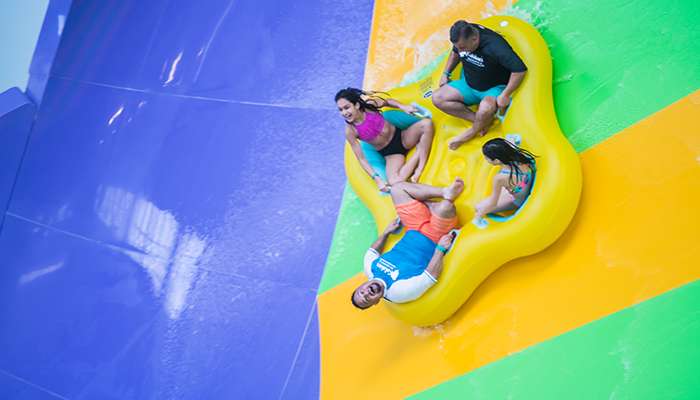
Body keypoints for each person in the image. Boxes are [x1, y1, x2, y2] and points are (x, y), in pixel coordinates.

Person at [350, 178, 464, 309]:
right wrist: (440, 249)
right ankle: (430, 205)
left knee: (397, 189)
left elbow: (372, 251)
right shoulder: (397, 292)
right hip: (434, 237)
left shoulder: (370, 268)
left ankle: (445, 192)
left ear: (361, 285)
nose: (366, 294)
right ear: (376, 302)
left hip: (412, 227)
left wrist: (386, 233)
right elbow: (430, 277)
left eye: (361, 292)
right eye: (366, 299)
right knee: (446, 207)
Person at [431, 20, 527, 150]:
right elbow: (455, 52)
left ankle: (471, 132)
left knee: (486, 108)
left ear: (475, 39)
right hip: (468, 84)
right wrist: (446, 73)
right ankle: (482, 122)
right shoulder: (464, 36)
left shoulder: (496, 46)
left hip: (493, 88)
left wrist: (506, 94)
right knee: (437, 98)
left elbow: (520, 70)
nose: (460, 50)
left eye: (463, 48)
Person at [336, 88, 434, 191]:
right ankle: (419, 152)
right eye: (340, 110)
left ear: (356, 105)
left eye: (347, 107)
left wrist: (403, 106)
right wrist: (377, 180)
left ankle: (420, 168)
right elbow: (362, 159)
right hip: (391, 153)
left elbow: (388, 102)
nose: (344, 113)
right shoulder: (351, 131)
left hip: (402, 137)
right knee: (394, 182)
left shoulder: (370, 106)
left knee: (427, 124)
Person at [474, 138, 536, 220]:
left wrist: (479, 215)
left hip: (518, 201)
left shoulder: (500, 178)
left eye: (486, 158)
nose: (486, 159)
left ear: (497, 160)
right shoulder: (520, 157)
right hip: (523, 187)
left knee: (478, 207)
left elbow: (493, 203)